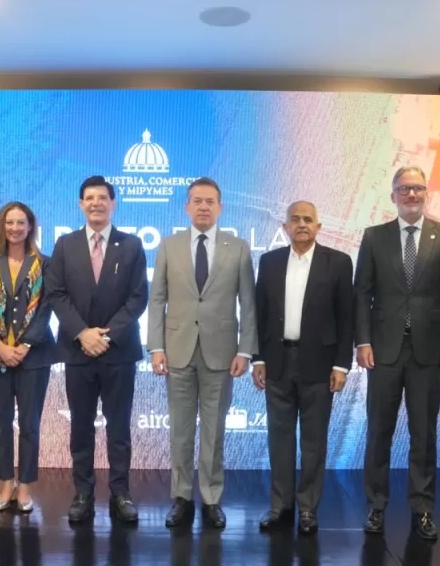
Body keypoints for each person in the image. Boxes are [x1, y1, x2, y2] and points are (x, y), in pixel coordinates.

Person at [355, 166, 440, 541]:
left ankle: (422, 508)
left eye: (418, 188)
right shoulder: (374, 237)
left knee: (424, 433)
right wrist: (363, 341)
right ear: (393, 195)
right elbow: (362, 295)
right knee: (379, 432)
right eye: (405, 189)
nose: (412, 194)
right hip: (383, 351)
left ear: (426, 193)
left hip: (428, 352)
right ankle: (376, 506)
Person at [148, 177, 257, 530]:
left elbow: (248, 304)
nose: (204, 207)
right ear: (186, 206)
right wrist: (157, 346)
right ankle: (181, 498)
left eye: (210, 201)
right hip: (177, 351)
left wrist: (245, 350)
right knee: (180, 430)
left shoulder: (237, 248)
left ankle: (211, 498)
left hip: (222, 354)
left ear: (220, 207)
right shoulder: (169, 246)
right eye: (197, 201)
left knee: (214, 431)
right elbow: (157, 300)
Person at [45, 176, 149, 524]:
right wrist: (82, 334)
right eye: (89, 198)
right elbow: (56, 294)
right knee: (81, 427)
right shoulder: (65, 244)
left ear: (113, 203)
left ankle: (121, 493)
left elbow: (138, 298)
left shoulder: (131, 245)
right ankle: (83, 493)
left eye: (102, 198)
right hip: (77, 352)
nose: (96, 203)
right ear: (80, 204)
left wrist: (106, 335)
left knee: (118, 427)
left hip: (118, 351)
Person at [251, 201, 353, 535]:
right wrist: (259, 359)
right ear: (285, 226)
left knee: (313, 441)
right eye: (295, 219)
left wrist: (341, 365)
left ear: (319, 226)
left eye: (308, 219)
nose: (302, 224)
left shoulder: (337, 263)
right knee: (279, 438)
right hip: (278, 362)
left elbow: (345, 318)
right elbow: (260, 313)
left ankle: (308, 508)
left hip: (320, 366)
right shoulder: (270, 261)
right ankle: (280, 505)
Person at [0, 201, 58, 512]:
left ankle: (24, 486)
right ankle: (5, 482)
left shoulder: (45, 264)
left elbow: (46, 309)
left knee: (29, 423)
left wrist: (24, 347)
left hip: (33, 357)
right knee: (0, 423)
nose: (15, 228)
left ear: (30, 226)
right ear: (1, 226)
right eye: (9, 222)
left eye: (21, 222)